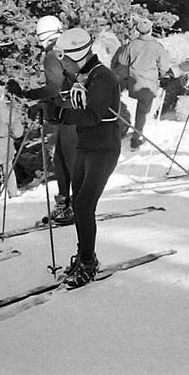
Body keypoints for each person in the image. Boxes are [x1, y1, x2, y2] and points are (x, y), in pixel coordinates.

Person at [52, 27, 123, 288]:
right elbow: (70, 103)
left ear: (77, 55)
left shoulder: (102, 77)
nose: (64, 65)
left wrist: (60, 116)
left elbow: (93, 115)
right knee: (79, 205)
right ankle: (85, 256)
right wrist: (50, 107)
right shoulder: (83, 76)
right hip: (86, 147)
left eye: (65, 59)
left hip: (104, 149)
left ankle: (88, 262)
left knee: (83, 205)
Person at [35, 15, 75, 225]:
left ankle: (73, 206)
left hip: (69, 114)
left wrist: (32, 95)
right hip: (74, 111)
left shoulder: (52, 55)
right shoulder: (70, 47)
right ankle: (66, 203)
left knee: (67, 161)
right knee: (62, 159)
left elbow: (55, 88)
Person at [114, 17, 172, 150]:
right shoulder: (157, 46)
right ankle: (136, 139)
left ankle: (135, 131)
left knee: (139, 110)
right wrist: (164, 76)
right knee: (142, 112)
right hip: (148, 86)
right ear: (151, 29)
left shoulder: (132, 45)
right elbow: (164, 67)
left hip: (134, 83)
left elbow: (122, 61)